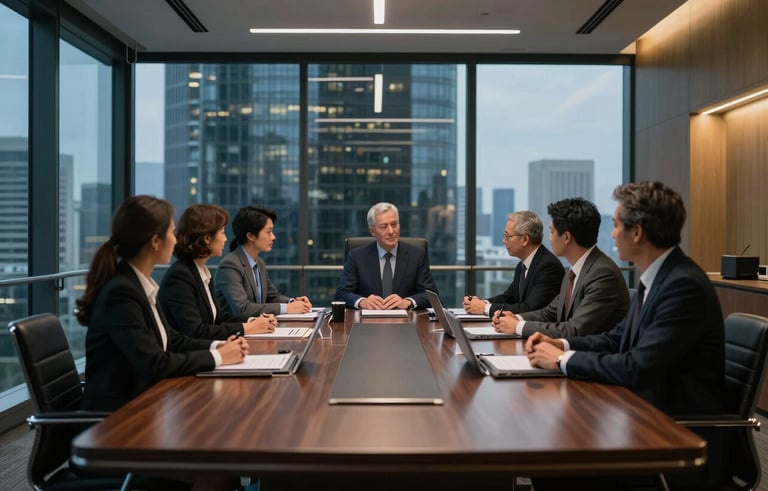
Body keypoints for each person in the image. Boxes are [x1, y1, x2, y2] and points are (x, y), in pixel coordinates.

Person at [526, 181, 726, 490]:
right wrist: (561, 343)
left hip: (671, 433)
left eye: (617, 225)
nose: (612, 234)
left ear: (638, 232)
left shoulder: (682, 286)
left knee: (556, 454)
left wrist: (563, 359)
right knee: (550, 447)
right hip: (641, 413)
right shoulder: (658, 278)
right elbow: (616, 338)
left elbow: (637, 367)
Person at [75, 196, 249, 412]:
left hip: (144, 403)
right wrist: (218, 357)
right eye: (171, 233)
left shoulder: (138, 283)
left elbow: (171, 340)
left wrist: (217, 346)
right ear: (155, 241)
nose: (175, 240)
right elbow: (155, 364)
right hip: (117, 418)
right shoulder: (121, 292)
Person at [491, 197, 629, 338]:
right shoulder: (574, 272)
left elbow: (574, 330)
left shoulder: (602, 274)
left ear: (566, 237)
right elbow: (549, 313)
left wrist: (518, 326)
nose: (549, 238)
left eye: (551, 232)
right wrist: (517, 318)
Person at [158, 204, 277, 340]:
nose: (225, 239)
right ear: (207, 238)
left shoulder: (200, 271)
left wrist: (252, 322)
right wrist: (247, 328)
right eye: (222, 232)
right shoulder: (180, 276)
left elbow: (219, 317)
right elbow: (196, 331)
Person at [335, 202, 438, 310]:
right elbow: (341, 294)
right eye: (384, 226)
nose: (391, 231)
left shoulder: (417, 255)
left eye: (394, 224)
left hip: (406, 322)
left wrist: (408, 302)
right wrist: (362, 302)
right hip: (367, 322)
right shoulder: (357, 256)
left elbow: (432, 296)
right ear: (372, 231)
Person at [215, 205, 312, 318]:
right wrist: (287, 308)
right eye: (268, 232)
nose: (273, 237)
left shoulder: (259, 262)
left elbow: (272, 297)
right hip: (235, 333)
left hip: (258, 329)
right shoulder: (230, 265)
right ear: (250, 236)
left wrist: (293, 302)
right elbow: (243, 309)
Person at [463, 211, 563, 316]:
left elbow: (530, 309)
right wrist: (482, 303)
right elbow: (509, 297)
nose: (504, 241)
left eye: (507, 236)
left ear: (525, 239)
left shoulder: (548, 267)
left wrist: (484, 308)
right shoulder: (522, 265)